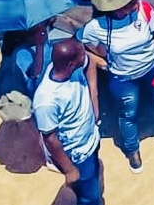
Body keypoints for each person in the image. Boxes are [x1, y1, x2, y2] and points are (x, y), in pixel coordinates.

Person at [81, 0, 154, 171]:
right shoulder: (97, 27)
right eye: (129, 2)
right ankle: (132, 149)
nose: (135, 2)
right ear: (116, 8)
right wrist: (100, 60)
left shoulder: (144, 10)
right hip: (123, 78)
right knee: (128, 113)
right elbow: (84, 46)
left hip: (152, 69)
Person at [35, 39, 105, 205]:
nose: (86, 54)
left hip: (91, 139)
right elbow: (50, 138)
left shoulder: (71, 67)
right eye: (82, 53)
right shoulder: (46, 101)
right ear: (71, 63)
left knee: (92, 179)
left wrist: (94, 101)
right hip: (78, 154)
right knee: (89, 196)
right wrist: (70, 169)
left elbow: (90, 64)